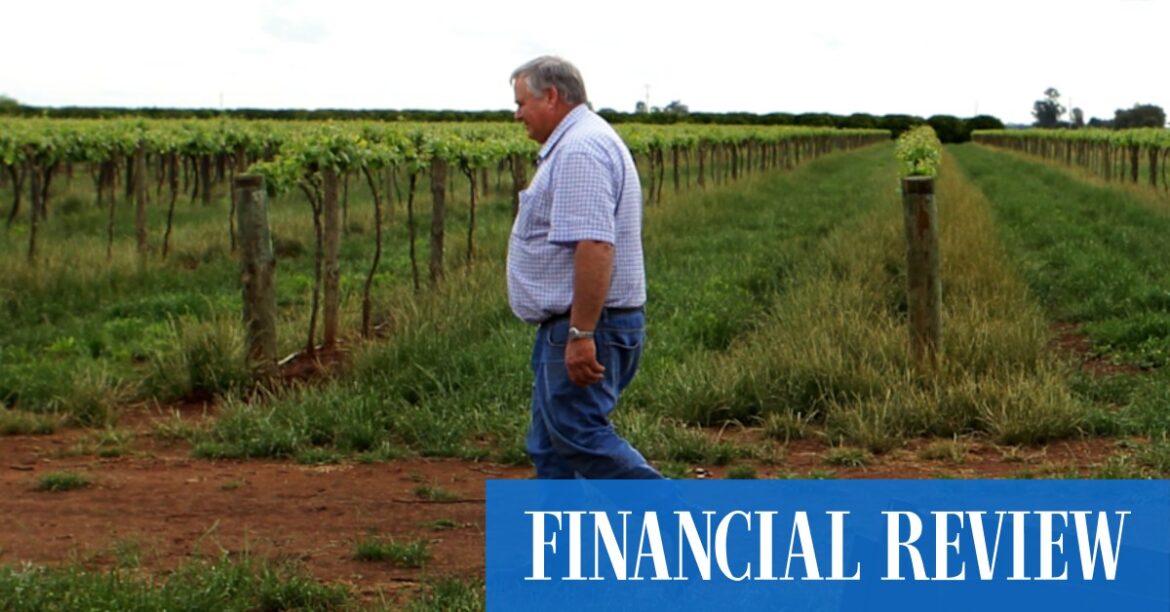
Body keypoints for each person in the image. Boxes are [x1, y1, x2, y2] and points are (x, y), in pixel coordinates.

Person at [507, 56, 663, 479]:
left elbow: (594, 245)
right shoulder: (582, 141)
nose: (517, 114)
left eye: (521, 103)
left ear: (551, 96)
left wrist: (581, 333)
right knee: (551, 447)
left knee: (580, 436)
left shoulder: (579, 150)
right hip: (580, 323)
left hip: (588, 324)